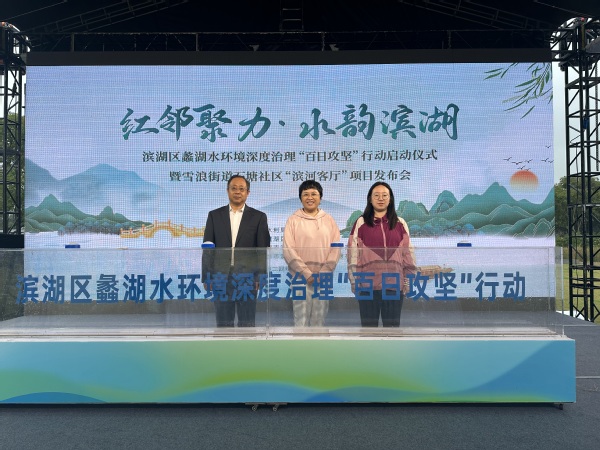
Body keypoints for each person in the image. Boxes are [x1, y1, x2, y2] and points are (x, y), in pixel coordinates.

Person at [202, 175, 271, 327]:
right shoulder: (214, 216)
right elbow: (207, 248)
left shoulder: (259, 217)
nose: (237, 192)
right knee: (223, 324)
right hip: (221, 277)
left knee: (247, 323)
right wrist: (206, 276)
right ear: (228, 191)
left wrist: (261, 276)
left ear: (248, 193)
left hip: (248, 277)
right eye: (234, 188)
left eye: (241, 189)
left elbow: (262, 250)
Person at [347, 181, 416, 327]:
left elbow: (408, 254)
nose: (381, 198)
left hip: (393, 285)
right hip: (367, 285)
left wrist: (408, 280)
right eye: (376, 195)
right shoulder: (361, 222)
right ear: (370, 199)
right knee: (368, 330)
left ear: (390, 199)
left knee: (392, 330)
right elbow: (353, 254)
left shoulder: (400, 223)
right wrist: (354, 281)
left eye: (385, 195)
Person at [283, 180, 341, 327]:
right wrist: (306, 273)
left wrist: (324, 272)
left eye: (314, 194)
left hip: (323, 279)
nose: (310, 197)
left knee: (319, 320)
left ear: (320, 197)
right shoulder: (293, 220)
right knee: (300, 320)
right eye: (305, 194)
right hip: (299, 278)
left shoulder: (329, 220)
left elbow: (336, 248)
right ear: (300, 198)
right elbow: (288, 250)